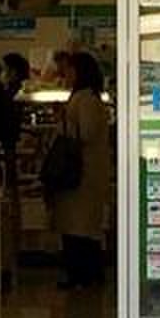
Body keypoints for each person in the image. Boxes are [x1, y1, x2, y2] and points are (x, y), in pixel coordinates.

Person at [50, 51, 112, 291]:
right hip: (87, 172)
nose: (66, 73)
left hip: (80, 173)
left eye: (70, 69)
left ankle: (81, 275)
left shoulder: (84, 99)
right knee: (85, 227)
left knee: (78, 227)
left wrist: (63, 122)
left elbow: (84, 134)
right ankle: (87, 274)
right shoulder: (90, 98)